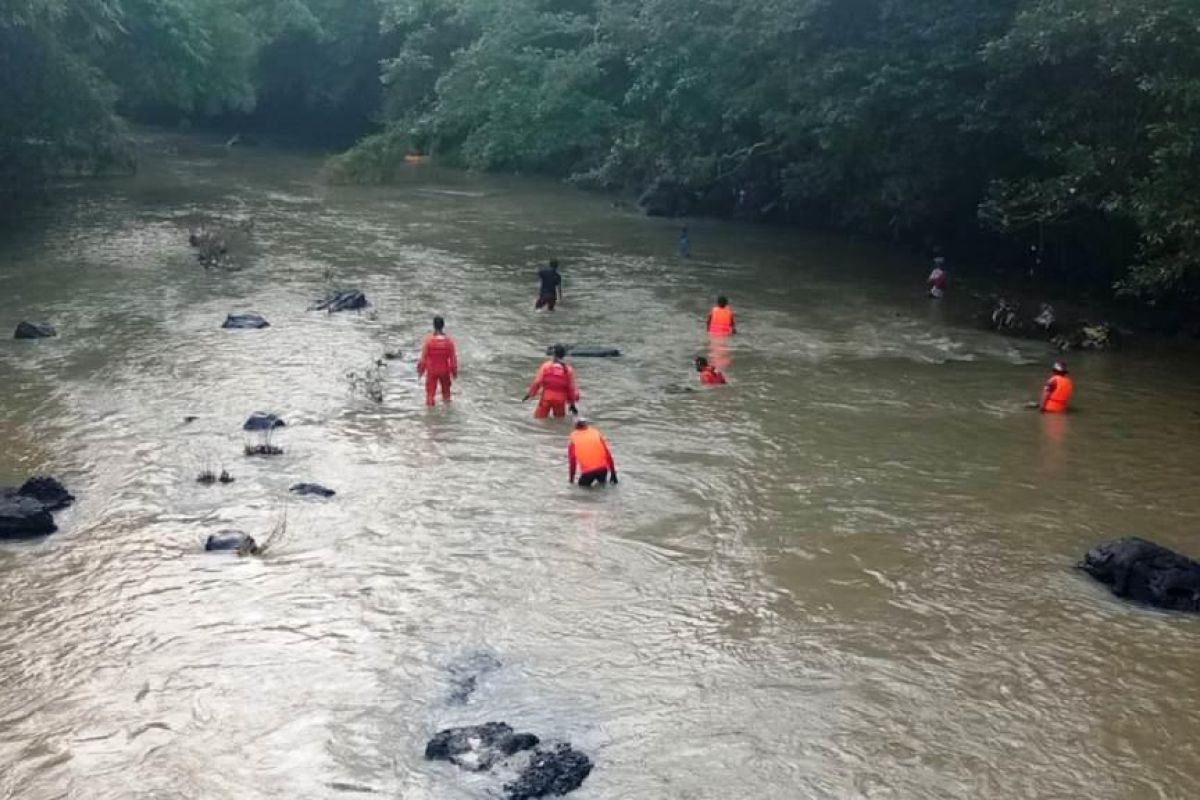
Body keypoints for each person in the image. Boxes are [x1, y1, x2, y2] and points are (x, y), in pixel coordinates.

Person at [523, 344, 580, 418]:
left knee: (539, 419)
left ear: (553, 354)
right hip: (560, 400)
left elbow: (537, 382)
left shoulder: (546, 366)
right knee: (559, 420)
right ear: (563, 355)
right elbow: (571, 388)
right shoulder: (568, 370)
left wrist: (530, 394)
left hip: (546, 398)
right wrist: (572, 404)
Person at [417, 315, 458, 406]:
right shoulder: (449, 342)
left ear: (434, 326)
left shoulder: (429, 341)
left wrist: (420, 371)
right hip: (444, 370)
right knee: (446, 394)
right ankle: (447, 414)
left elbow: (423, 359)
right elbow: (453, 359)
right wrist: (454, 372)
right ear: (443, 325)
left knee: (430, 395)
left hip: (432, 371)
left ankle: (430, 416)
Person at [568, 418, 618, 487]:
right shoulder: (596, 433)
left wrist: (571, 479)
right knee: (602, 488)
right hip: (602, 469)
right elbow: (608, 454)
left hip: (588, 472)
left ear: (575, 427)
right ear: (587, 425)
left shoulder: (573, 437)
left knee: (581, 492)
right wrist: (613, 473)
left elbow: (572, 461)